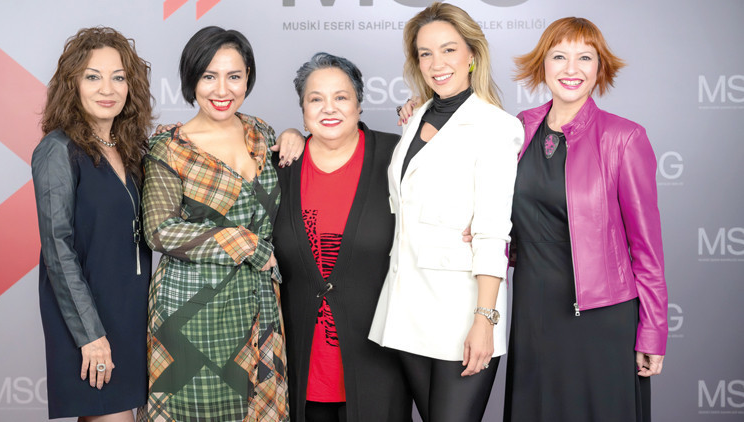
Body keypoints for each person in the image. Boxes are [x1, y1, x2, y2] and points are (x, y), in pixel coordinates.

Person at [504, 17, 668, 421]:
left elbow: (646, 250)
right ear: (543, 64)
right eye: (559, 56)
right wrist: (420, 112)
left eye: (585, 58)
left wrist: (653, 331)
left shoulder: (624, 138)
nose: (571, 69)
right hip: (532, 308)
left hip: (600, 315)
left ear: (599, 68)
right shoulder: (519, 128)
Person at [367, 3, 524, 420]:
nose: (437, 63)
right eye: (426, 53)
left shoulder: (496, 126)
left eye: (449, 50)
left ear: (472, 54)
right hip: (408, 305)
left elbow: (492, 231)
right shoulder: (415, 115)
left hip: (461, 310)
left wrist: (485, 320)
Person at [141, 27, 288, 421]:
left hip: (259, 303)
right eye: (209, 76)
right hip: (192, 311)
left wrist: (296, 137)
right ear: (192, 79)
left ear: (248, 77)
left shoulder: (262, 133)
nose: (222, 89)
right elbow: (159, 230)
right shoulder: (171, 148)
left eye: (233, 76)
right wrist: (246, 244)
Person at [272, 52, 412, 422]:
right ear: (303, 109)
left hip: (380, 364)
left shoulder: (397, 156)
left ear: (359, 104)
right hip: (303, 367)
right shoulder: (281, 167)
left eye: (341, 97)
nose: (329, 108)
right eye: (315, 99)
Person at [32, 27, 153, 421]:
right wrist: (90, 335)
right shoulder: (57, 150)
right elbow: (57, 247)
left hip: (132, 312)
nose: (107, 89)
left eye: (118, 77)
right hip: (88, 319)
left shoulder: (132, 149)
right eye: (93, 76)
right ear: (73, 84)